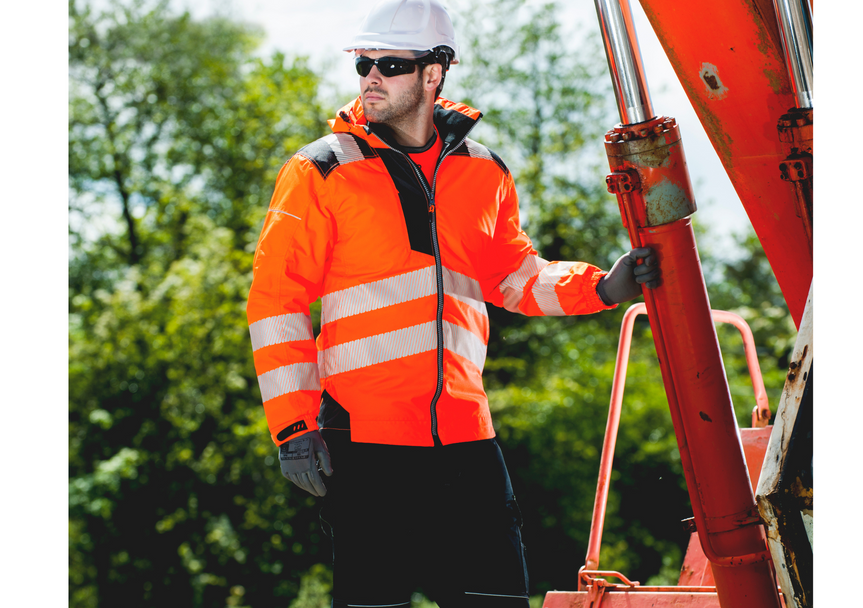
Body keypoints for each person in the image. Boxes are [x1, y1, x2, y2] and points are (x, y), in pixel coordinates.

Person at [246, 1, 659, 605]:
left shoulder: (484, 171)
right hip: (365, 447)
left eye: (389, 63)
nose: (371, 78)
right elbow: (276, 300)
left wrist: (601, 287)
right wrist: (294, 426)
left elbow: (513, 274)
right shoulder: (321, 171)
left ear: (434, 73)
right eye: (363, 63)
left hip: (468, 443)